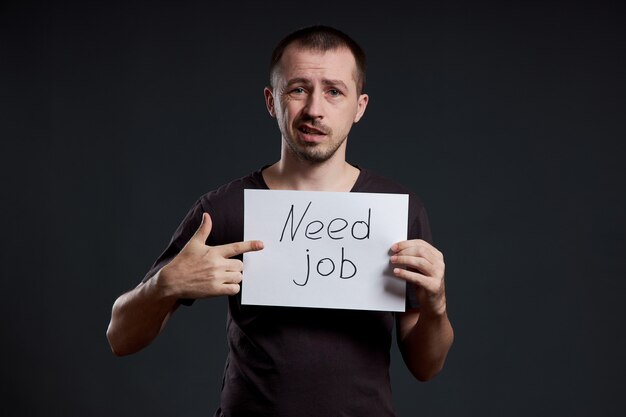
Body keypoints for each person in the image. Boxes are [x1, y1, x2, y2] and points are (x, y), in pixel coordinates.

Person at [106, 25, 453, 416]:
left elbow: (427, 367)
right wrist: (164, 286)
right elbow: (120, 338)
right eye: (298, 89)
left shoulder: (397, 211)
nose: (314, 110)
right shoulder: (225, 208)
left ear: (360, 106)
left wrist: (436, 305)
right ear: (272, 101)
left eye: (334, 91)